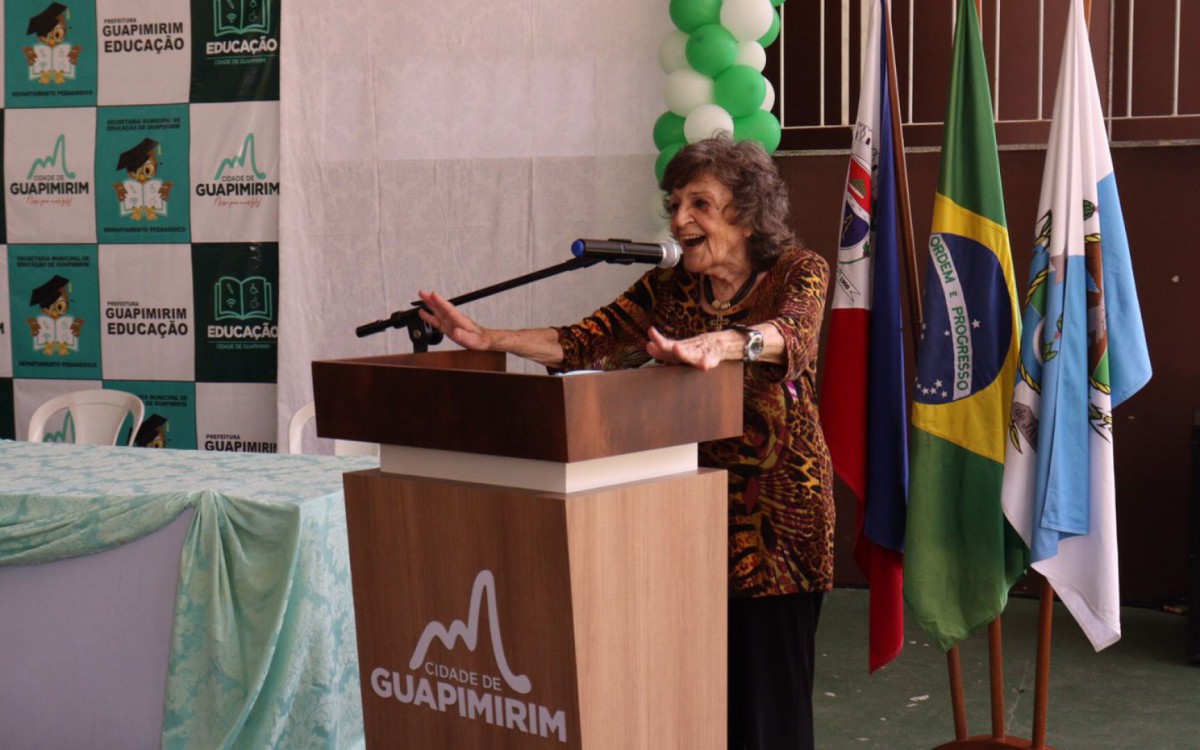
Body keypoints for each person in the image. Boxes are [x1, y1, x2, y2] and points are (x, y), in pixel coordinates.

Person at [418, 135, 834, 750]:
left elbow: (791, 334)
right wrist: (491, 339)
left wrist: (718, 344)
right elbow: (584, 341)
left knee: (766, 709)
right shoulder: (667, 288)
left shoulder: (799, 270)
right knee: (692, 698)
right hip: (685, 514)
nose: (679, 219)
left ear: (747, 214)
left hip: (777, 524)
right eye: (673, 203)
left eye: (700, 203)